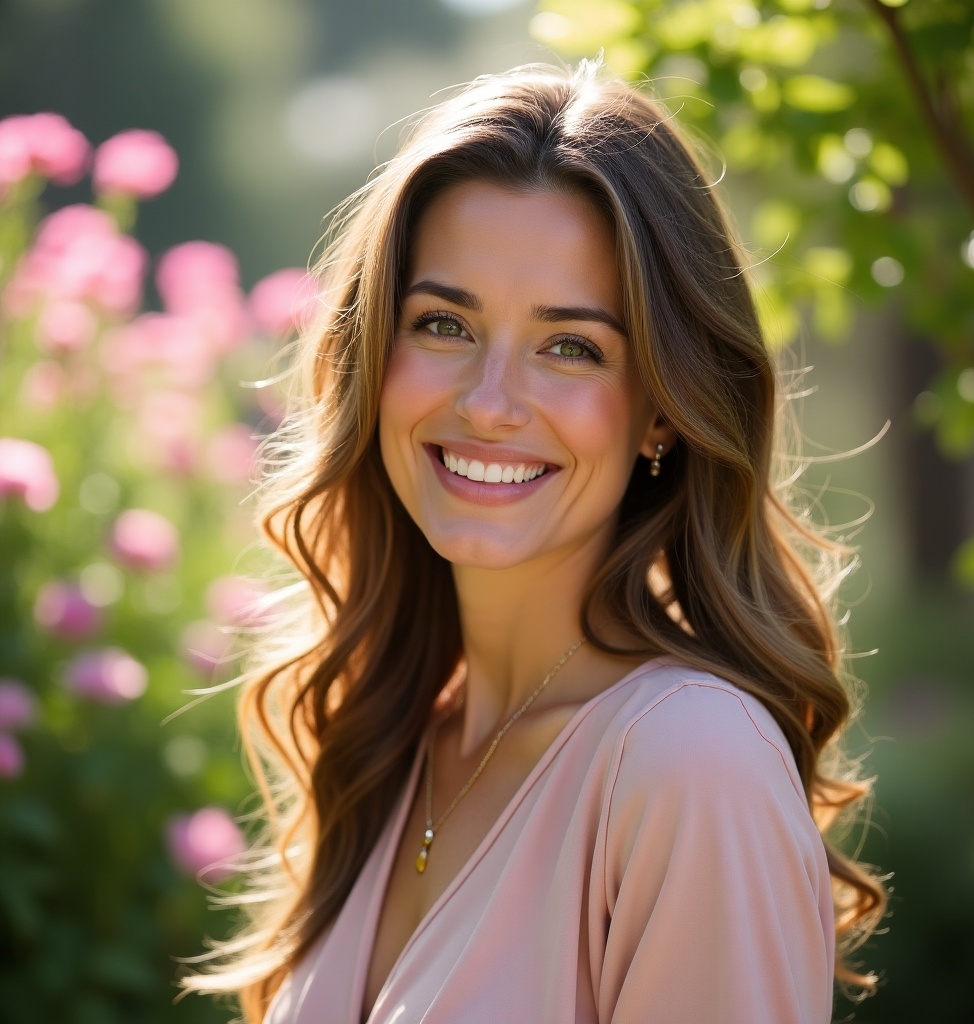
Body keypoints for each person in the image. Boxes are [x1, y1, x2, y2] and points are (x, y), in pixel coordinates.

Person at [188, 61, 886, 1022]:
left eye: (571, 347)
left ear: (662, 412)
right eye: (442, 324)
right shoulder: (393, 736)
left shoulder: (688, 764)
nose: (487, 403)